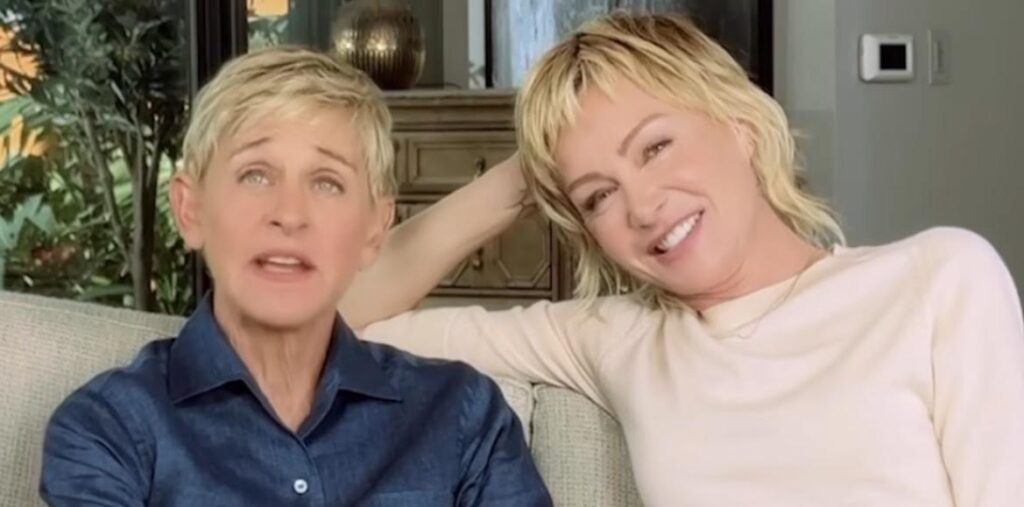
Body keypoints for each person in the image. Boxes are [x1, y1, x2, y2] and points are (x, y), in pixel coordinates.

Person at [355, 12, 1024, 506]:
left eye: (655, 147)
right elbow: (344, 319)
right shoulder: (616, 338)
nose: (643, 206)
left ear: (740, 125)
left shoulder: (937, 280)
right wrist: (522, 176)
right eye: (598, 196)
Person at [40, 46, 552, 506]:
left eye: (327, 183)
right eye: (255, 175)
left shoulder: (461, 413)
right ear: (190, 209)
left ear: (375, 228)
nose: (289, 214)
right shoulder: (108, 430)